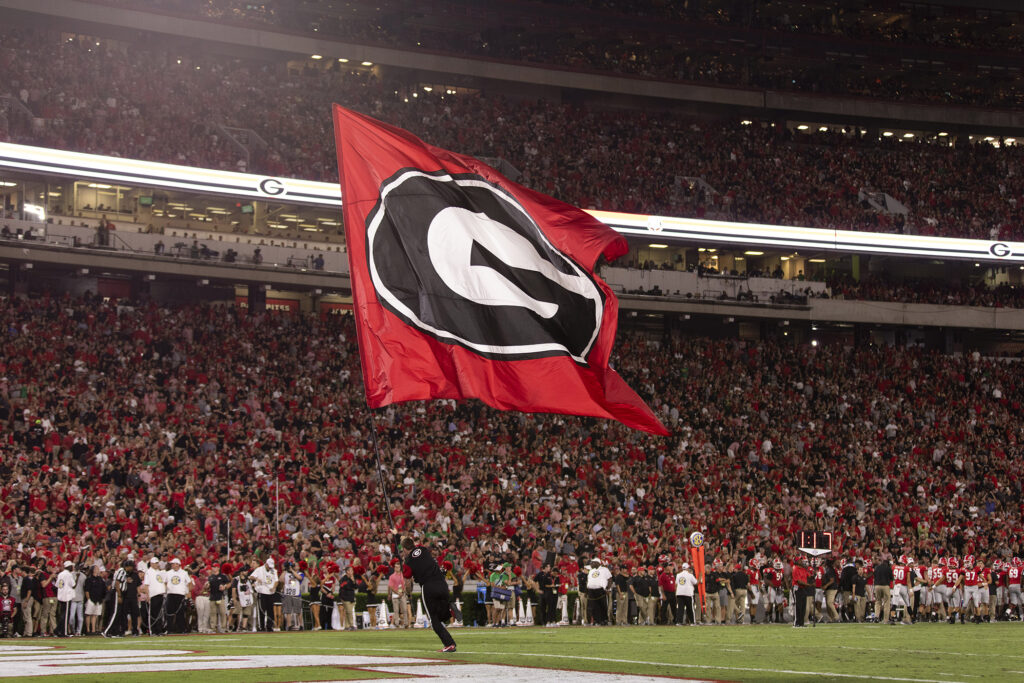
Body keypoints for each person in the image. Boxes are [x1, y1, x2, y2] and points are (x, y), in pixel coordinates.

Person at [394, 531, 456, 653]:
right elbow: (408, 541)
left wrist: (409, 593)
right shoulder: (422, 549)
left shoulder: (407, 562)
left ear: (405, 549)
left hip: (428, 587)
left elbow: (407, 582)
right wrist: (398, 535)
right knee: (440, 612)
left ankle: (449, 644)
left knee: (433, 619)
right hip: (442, 583)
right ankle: (449, 608)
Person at [164, 559, 192, 633]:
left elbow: (189, 583)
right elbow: (165, 583)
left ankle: (181, 629)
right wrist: (166, 591)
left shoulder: (184, 573)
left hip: (180, 594)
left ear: (178, 564)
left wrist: (188, 591)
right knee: (170, 613)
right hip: (170, 594)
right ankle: (169, 629)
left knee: (180, 613)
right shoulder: (168, 573)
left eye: (174, 564)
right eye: (172, 564)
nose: (173, 565)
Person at [250, 558, 278, 632]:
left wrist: (273, 587)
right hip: (262, 593)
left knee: (270, 611)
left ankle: (269, 626)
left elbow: (276, 581)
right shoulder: (259, 569)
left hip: (271, 593)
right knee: (262, 610)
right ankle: (261, 627)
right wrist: (257, 579)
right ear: (266, 564)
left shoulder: (274, 571)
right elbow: (251, 576)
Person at [143, 557, 167, 635]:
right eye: (155, 563)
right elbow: (146, 585)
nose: (157, 564)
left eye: (157, 563)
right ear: (151, 564)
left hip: (160, 595)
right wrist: (148, 595)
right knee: (153, 614)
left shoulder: (158, 572)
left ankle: (159, 630)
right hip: (153, 595)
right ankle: (153, 630)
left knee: (159, 614)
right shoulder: (148, 572)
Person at [585, 558, 612, 626]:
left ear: (598, 563)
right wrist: (586, 591)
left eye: (593, 562)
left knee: (602, 605)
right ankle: (596, 620)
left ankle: (604, 620)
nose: (591, 564)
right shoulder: (591, 571)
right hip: (591, 590)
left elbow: (610, 579)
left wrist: (608, 589)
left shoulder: (604, 569)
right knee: (593, 607)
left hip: (600, 590)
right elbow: (589, 581)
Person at [54, 561, 76, 637]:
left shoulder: (60, 574)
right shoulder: (69, 575)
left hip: (60, 596)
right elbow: (73, 585)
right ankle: (64, 632)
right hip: (67, 596)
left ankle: (57, 630)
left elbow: (57, 585)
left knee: (63, 615)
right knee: (66, 615)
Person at [208, 564, 231, 633]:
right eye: (213, 567)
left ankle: (223, 627)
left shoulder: (223, 576)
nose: (213, 568)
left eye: (215, 567)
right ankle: (213, 628)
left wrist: (224, 587)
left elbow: (229, 583)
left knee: (222, 612)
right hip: (212, 596)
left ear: (218, 568)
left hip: (220, 596)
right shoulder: (210, 577)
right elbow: (208, 586)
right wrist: (207, 586)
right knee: (213, 613)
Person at [281, 562, 303, 631]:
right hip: (288, 594)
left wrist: (292, 570)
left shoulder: (300, 573)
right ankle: (289, 625)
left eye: (295, 565)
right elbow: (280, 580)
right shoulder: (287, 574)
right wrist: (285, 570)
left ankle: (301, 625)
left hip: (296, 594)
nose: (294, 566)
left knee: (298, 611)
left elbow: (299, 578)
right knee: (288, 611)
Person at [791, 556, 813, 627]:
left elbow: (809, 576)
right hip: (797, 588)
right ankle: (796, 623)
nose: (801, 561)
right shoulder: (795, 569)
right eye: (800, 560)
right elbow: (798, 581)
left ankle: (801, 623)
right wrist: (808, 584)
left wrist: (813, 572)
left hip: (803, 588)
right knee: (798, 606)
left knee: (803, 606)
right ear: (797, 561)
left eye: (801, 560)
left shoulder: (804, 569)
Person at [84, 566, 106, 635]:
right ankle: (88, 629)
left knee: (95, 615)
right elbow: (86, 590)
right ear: (93, 570)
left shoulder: (100, 579)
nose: (98, 569)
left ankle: (93, 630)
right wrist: (88, 599)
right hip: (91, 599)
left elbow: (103, 588)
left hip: (98, 600)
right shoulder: (89, 579)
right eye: (96, 568)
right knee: (88, 614)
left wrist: (102, 597)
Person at [387, 564, 409, 628]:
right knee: (396, 610)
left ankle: (406, 623)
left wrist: (402, 592)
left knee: (404, 609)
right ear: (394, 568)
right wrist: (397, 593)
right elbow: (391, 586)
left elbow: (405, 585)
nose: (397, 568)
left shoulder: (403, 575)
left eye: (398, 567)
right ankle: (397, 624)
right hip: (395, 594)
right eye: (396, 567)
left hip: (402, 594)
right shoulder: (392, 576)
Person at [337, 565, 357, 631]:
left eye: (352, 570)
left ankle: (346, 626)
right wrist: (351, 582)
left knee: (348, 612)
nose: (352, 572)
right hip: (345, 597)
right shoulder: (344, 578)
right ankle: (351, 625)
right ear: (347, 571)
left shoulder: (353, 578)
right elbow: (344, 586)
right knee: (349, 611)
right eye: (351, 570)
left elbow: (356, 587)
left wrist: (353, 580)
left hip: (351, 596)